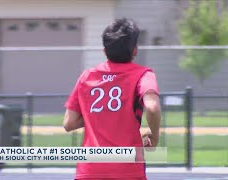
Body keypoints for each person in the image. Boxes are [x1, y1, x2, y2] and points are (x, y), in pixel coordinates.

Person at [63, 18, 161, 180]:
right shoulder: (143, 74)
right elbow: (152, 107)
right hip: (128, 169)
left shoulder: (87, 76)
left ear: (104, 51)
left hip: (90, 169)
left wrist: (97, 114)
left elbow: (69, 123)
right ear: (135, 50)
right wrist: (155, 136)